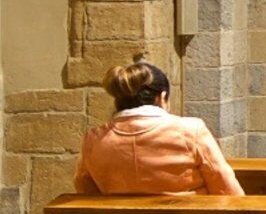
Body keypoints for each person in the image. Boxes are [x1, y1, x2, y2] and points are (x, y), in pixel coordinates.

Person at [70, 58, 244, 195]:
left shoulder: (93, 140)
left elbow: (86, 191)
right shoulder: (192, 131)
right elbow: (226, 188)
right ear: (162, 97)